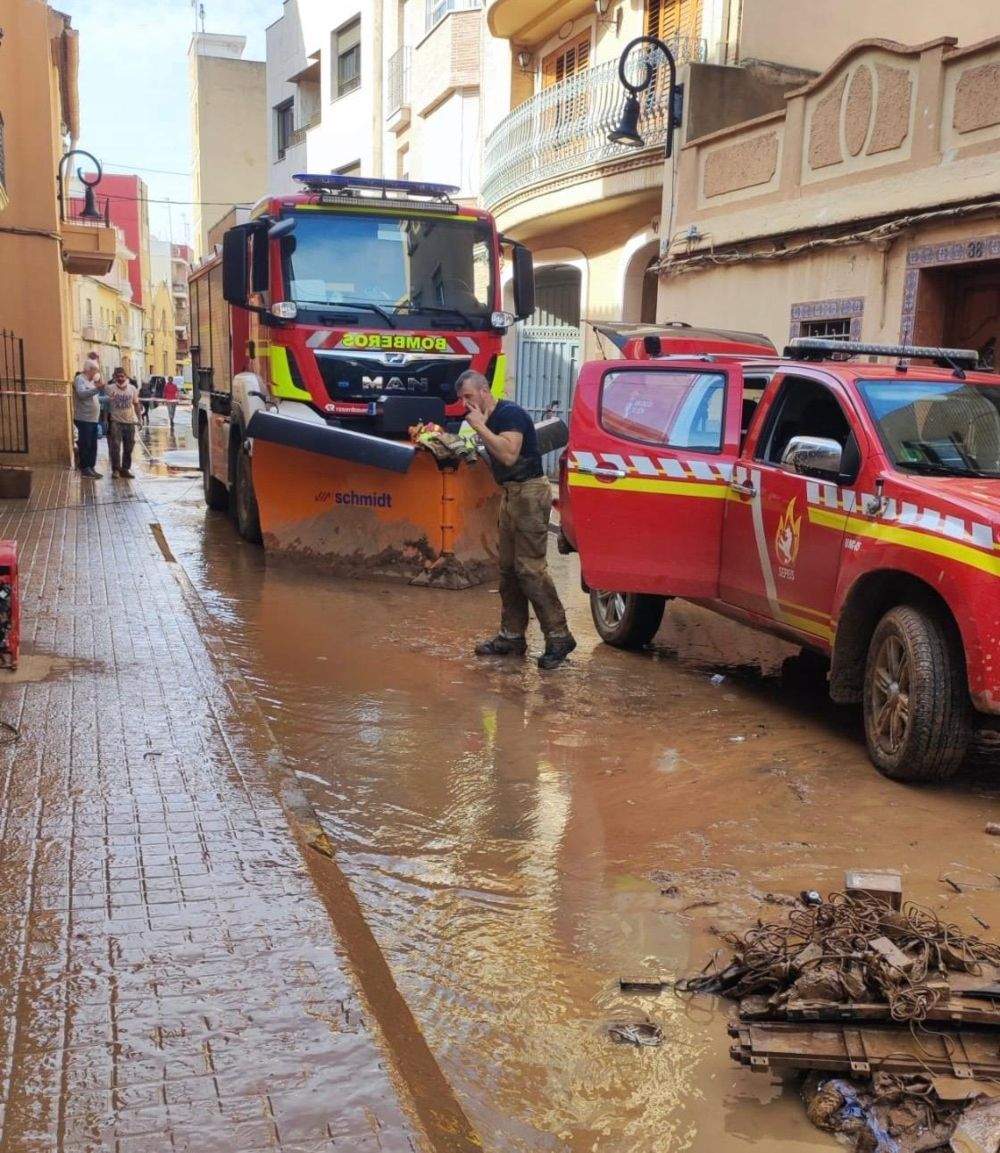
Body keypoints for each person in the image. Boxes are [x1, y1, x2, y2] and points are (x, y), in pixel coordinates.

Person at [457, 369, 576, 670]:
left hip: (530, 493)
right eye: (461, 400)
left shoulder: (510, 414)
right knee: (508, 570)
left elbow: (509, 455)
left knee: (530, 570)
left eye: (469, 397)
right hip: (510, 494)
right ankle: (511, 636)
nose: (465, 405)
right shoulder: (486, 419)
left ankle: (559, 635)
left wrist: (480, 429)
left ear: (484, 391)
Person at [73, 353, 105, 479]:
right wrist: (97, 389)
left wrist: (109, 398)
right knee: (85, 444)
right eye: (95, 371)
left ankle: (91, 467)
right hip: (84, 418)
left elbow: (95, 398)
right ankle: (85, 468)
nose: (96, 374)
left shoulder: (91, 382)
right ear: (89, 369)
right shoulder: (80, 379)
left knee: (93, 444)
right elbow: (82, 394)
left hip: (93, 419)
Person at [106, 368, 142, 479]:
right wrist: (105, 421)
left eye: (122, 376)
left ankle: (125, 469)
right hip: (115, 422)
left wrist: (139, 419)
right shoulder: (110, 388)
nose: (120, 379)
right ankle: (116, 469)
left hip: (129, 422)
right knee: (115, 446)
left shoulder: (132, 389)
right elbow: (105, 405)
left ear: (126, 376)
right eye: (118, 376)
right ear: (114, 377)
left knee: (129, 446)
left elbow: (136, 404)